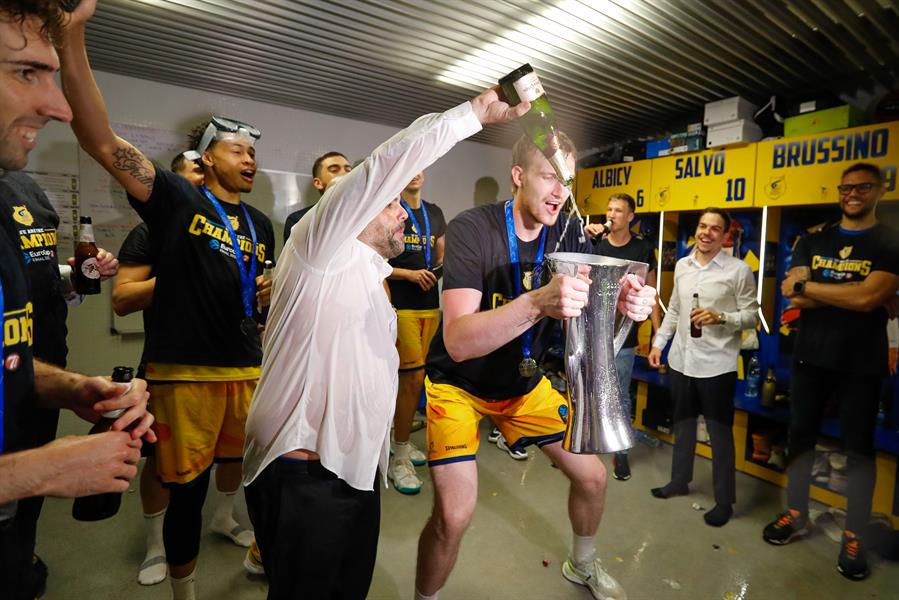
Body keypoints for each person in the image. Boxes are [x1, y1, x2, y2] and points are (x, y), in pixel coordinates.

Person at [242, 87, 533, 600]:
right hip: (305, 475)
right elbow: (385, 164)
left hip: (353, 474)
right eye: (393, 203)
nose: (404, 213)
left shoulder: (368, 273)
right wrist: (475, 115)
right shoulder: (319, 248)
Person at [59, 4, 275, 598]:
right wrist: (72, 35)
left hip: (247, 366)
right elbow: (100, 141)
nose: (249, 158)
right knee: (185, 490)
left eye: (253, 152)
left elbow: (256, 289)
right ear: (206, 159)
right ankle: (183, 590)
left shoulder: (260, 223)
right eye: (236, 150)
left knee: (244, 477)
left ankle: (236, 536)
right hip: (184, 372)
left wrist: (264, 289)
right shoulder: (180, 201)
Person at [414, 132, 656, 600]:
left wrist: (625, 305)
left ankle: (581, 563)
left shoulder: (567, 233)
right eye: (549, 176)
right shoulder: (472, 228)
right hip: (458, 386)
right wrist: (539, 302)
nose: (559, 192)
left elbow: (591, 328)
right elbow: (459, 341)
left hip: (523, 385)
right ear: (518, 177)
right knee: (454, 514)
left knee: (593, 477)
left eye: (566, 180)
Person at [0, 4, 154, 597]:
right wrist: (37, 470)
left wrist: (71, 387)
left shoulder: (15, 194)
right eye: (25, 72)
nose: (58, 107)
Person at [112, 151, 254, 587]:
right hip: (172, 363)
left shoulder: (244, 229)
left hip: (235, 365)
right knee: (162, 463)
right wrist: (181, 271)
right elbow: (122, 299)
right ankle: (156, 542)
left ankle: (224, 518)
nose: (202, 177)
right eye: (192, 171)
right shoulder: (150, 231)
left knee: (232, 457)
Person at [764, 163, 899, 580]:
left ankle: (854, 534)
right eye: (846, 188)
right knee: (800, 439)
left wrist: (815, 289)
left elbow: (870, 297)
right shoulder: (813, 239)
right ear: (839, 192)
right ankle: (796, 513)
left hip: (863, 363)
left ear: (879, 190)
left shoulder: (889, 241)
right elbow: (794, 295)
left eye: (862, 187)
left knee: (858, 450)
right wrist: (852, 295)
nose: (853, 194)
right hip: (811, 358)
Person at [648, 208, 758, 527]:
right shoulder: (683, 265)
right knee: (682, 426)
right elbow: (674, 311)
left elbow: (752, 316)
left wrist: (721, 317)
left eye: (715, 228)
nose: (706, 233)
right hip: (682, 360)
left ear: (725, 235)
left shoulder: (738, 271)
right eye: (702, 226)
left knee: (720, 436)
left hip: (717, 366)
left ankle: (724, 501)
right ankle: (679, 481)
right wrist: (658, 345)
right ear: (696, 230)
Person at [585, 193, 661, 481]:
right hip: (594, 331)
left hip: (625, 337)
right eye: (609, 208)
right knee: (591, 391)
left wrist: (657, 335)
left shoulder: (642, 249)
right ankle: (587, 446)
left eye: (619, 210)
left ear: (630, 217)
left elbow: (651, 293)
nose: (612, 214)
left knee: (620, 396)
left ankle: (621, 453)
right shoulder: (596, 245)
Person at [385, 170, 446, 494]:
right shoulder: (389, 208)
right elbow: (374, 259)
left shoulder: (434, 213)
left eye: (424, 166)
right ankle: (398, 454)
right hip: (402, 305)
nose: (417, 173)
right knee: (410, 378)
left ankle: (402, 445)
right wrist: (408, 274)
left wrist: (437, 270)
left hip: (429, 305)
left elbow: (441, 256)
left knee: (418, 378)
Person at [282, 151, 352, 244]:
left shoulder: (369, 214)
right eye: (334, 170)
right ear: (318, 183)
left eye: (349, 170)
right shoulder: (299, 220)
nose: (344, 174)